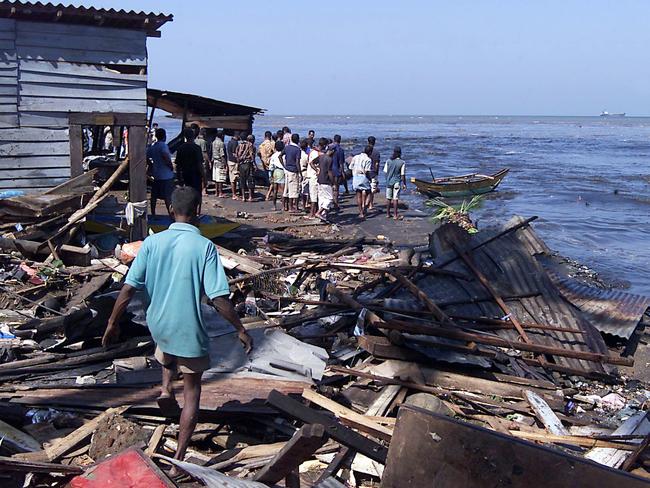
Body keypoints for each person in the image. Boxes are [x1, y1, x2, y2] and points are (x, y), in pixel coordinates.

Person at [102, 186, 253, 473]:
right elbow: (219, 299)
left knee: (167, 344)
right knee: (193, 392)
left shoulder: (152, 243)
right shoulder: (204, 247)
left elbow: (128, 288)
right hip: (186, 329)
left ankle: (164, 389)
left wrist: (112, 323)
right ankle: (178, 461)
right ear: (198, 212)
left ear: (171, 210)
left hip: (158, 323)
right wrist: (240, 328)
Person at [175, 128, 205, 214]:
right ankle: (196, 213)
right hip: (195, 175)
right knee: (197, 195)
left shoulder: (180, 148)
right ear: (193, 136)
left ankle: (188, 212)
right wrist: (204, 176)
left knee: (187, 195)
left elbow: (178, 165)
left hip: (185, 174)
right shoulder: (196, 148)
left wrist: (178, 177)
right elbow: (200, 164)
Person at [146, 128, 175, 216]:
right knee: (168, 196)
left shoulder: (153, 146)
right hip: (166, 175)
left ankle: (153, 214)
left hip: (156, 174)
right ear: (164, 136)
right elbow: (165, 155)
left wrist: (151, 165)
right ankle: (170, 214)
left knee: (154, 196)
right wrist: (170, 166)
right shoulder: (163, 146)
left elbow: (146, 156)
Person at [349, 145, 373, 219]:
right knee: (369, 192)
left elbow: (350, 167)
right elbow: (367, 171)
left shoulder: (356, 157)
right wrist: (370, 179)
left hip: (356, 176)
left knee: (358, 194)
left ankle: (361, 212)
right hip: (363, 176)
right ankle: (365, 208)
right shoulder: (368, 159)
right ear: (370, 152)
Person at [384, 146, 407, 220]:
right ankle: (395, 215)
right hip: (397, 182)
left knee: (388, 198)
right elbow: (402, 175)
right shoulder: (402, 162)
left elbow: (385, 172)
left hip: (389, 181)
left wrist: (387, 179)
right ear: (400, 153)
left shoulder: (388, 161)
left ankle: (387, 214)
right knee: (395, 198)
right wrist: (404, 184)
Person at [316, 143, 336, 222]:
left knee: (322, 198)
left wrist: (317, 169)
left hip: (320, 179)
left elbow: (311, 162)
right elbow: (329, 172)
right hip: (326, 180)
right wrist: (333, 182)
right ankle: (319, 212)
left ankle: (323, 216)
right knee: (329, 199)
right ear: (332, 151)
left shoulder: (321, 156)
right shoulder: (329, 159)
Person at [283, 133, 302, 211]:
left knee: (287, 189)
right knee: (294, 190)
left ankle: (289, 207)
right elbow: (297, 162)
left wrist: (284, 165)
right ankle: (293, 207)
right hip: (293, 170)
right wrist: (300, 172)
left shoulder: (287, 147)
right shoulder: (297, 149)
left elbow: (280, 156)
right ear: (297, 140)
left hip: (287, 170)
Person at [235, 134, 256, 202]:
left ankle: (243, 197)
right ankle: (250, 197)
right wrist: (255, 165)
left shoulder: (239, 145)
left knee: (242, 180)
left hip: (241, 164)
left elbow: (237, 154)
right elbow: (252, 155)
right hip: (248, 164)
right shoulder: (250, 145)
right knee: (250, 180)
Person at [305, 138, 321, 218]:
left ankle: (313, 212)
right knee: (314, 196)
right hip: (314, 176)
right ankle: (312, 213)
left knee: (313, 195)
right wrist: (317, 170)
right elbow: (311, 163)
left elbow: (309, 162)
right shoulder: (317, 154)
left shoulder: (311, 152)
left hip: (310, 175)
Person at [267, 140, 285, 208]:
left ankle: (274, 206)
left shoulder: (274, 155)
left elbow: (271, 166)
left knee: (275, 191)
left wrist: (270, 175)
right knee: (283, 191)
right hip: (282, 171)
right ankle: (284, 206)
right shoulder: (283, 155)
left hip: (276, 171)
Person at [331, 134, 347, 206]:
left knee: (331, 187)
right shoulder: (340, 150)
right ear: (340, 141)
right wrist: (343, 172)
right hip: (336, 170)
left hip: (329, 169)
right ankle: (336, 203)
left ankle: (331, 202)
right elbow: (341, 163)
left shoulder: (330, 148)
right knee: (336, 188)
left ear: (334, 140)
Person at [211, 130, 227, 198]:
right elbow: (222, 154)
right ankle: (220, 193)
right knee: (220, 178)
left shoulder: (214, 142)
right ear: (222, 135)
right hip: (220, 161)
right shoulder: (221, 143)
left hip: (215, 161)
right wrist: (225, 164)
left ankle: (216, 192)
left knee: (215, 178)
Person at [195, 128, 211, 195]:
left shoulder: (195, 140)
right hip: (202, 161)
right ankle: (203, 190)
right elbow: (204, 153)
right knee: (203, 175)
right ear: (204, 133)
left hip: (196, 160)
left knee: (198, 175)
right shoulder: (203, 142)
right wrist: (209, 161)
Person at [367, 136, 381, 210]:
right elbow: (377, 164)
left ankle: (367, 203)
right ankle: (370, 204)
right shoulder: (376, 152)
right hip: (373, 172)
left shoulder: (365, 151)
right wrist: (377, 172)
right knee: (372, 189)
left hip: (366, 172)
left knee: (366, 188)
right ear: (374, 142)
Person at [226, 133, 240, 200]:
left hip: (230, 161)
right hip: (234, 162)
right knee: (235, 178)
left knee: (232, 178)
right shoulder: (235, 143)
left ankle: (234, 193)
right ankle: (234, 194)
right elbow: (235, 153)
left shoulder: (229, 142)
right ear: (236, 136)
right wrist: (238, 160)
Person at [299, 139, 310, 211]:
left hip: (299, 172)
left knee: (300, 189)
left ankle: (302, 204)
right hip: (304, 172)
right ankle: (305, 204)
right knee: (305, 191)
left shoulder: (298, 153)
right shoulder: (306, 156)